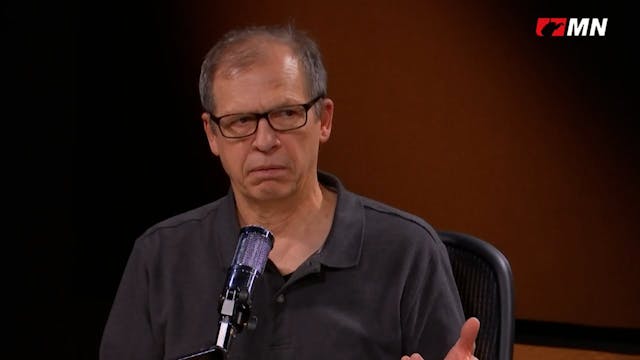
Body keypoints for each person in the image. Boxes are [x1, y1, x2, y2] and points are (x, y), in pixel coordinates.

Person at [99, 24, 480, 360]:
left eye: (285, 115)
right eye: (240, 121)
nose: (265, 141)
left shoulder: (407, 251)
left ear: (324, 120)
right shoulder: (161, 257)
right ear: (212, 134)